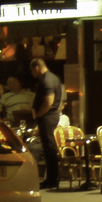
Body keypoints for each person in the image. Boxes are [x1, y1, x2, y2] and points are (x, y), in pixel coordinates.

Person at [30, 58, 64, 190]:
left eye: (32, 71)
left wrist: (39, 113)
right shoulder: (53, 78)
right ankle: (51, 178)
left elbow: (49, 100)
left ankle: (52, 179)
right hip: (50, 116)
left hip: (47, 116)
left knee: (49, 147)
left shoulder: (46, 79)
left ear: (36, 68)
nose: (32, 74)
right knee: (48, 147)